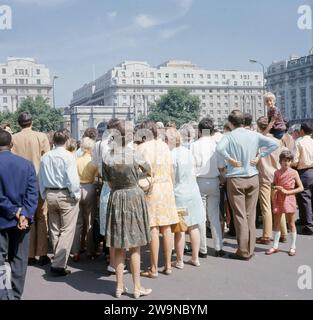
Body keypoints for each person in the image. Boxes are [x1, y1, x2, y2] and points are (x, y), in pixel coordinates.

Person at [217, 110, 279, 260]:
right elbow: (274, 143)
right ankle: (249, 249)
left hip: (236, 177)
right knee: (250, 215)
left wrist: (229, 159)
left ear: (231, 123)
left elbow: (219, 149)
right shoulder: (253, 134)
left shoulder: (229, 136)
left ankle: (243, 250)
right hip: (252, 177)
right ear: (243, 122)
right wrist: (260, 156)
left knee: (239, 215)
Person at [103, 119, 152, 299]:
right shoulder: (134, 154)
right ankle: (137, 288)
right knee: (135, 246)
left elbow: (107, 182)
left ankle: (119, 287)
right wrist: (134, 177)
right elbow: (148, 170)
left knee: (118, 246)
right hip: (133, 195)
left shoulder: (108, 156)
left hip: (117, 196)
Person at [0, 129, 38, 300]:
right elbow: (33, 193)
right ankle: (15, 296)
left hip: (3, 219)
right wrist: (25, 214)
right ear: (12, 144)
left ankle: (3, 294)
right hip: (21, 221)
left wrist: (13, 211)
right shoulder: (27, 164)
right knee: (19, 261)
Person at [138, 121, 179, 278]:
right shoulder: (164, 146)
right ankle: (168, 265)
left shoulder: (141, 148)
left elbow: (138, 172)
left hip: (151, 188)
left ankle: (153, 268)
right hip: (166, 187)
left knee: (153, 228)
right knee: (166, 227)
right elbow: (171, 169)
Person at [39, 130, 80, 276]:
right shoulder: (69, 156)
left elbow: (41, 177)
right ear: (67, 140)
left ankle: (58, 259)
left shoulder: (45, 156)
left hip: (50, 193)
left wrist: (44, 193)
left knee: (55, 228)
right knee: (67, 230)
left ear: (53, 141)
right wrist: (76, 194)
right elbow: (73, 180)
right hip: (66, 193)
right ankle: (58, 263)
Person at [11, 112, 51, 266]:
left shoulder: (14, 138)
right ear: (31, 122)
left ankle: (28, 254)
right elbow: (46, 160)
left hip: (21, 183)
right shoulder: (41, 137)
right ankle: (42, 253)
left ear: (19, 123)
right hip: (38, 181)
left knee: (25, 216)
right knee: (41, 216)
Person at [166, 128, 205, 267]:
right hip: (193, 191)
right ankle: (195, 258)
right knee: (194, 226)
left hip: (178, 194)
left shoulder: (170, 155)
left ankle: (180, 260)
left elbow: (170, 177)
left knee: (180, 229)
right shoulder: (188, 152)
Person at [190, 117, 225, 258]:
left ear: (199, 131)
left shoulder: (194, 145)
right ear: (212, 131)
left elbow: (191, 168)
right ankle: (218, 247)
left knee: (201, 217)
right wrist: (222, 179)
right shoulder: (216, 144)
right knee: (214, 216)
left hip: (199, 181)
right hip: (214, 180)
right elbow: (222, 166)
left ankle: (202, 249)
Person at [256, 117, 288, 244]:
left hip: (264, 177)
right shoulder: (278, 142)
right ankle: (284, 234)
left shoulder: (259, 143)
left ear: (259, 127)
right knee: (279, 206)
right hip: (277, 177)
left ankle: (266, 236)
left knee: (266, 208)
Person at [266, 150, 304, 256]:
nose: (286, 163)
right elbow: (274, 184)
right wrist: (274, 188)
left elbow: (301, 187)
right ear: (280, 161)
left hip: (289, 198)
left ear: (291, 161)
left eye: (288, 160)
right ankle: (275, 246)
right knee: (276, 223)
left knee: (291, 223)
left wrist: (288, 191)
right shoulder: (276, 172)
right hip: (278, 198)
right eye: (284, 160)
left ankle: (293, 246)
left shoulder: (294, 172)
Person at [72, 137, 98, 262]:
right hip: (90, 188)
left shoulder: (76, 160)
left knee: (78, 223)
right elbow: (96, 178)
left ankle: (75, 251)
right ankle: (90, 250)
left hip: (78, 188)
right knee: (90, 222)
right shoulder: (93, 162)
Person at [293, 123, 313, 235]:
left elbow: (295, 160)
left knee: (305, 199)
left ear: (301, 131)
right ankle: (306, 220)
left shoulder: (299, 142)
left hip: (304, 172)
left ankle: (309, 226)